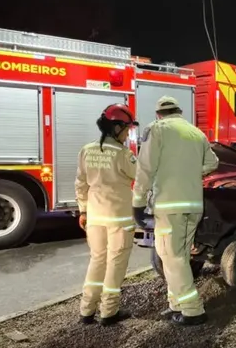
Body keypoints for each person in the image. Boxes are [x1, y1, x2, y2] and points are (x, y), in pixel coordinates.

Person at [132, 96, 220, 326]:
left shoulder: (158, 130)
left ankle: (193, 310)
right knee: (172, 256)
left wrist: (138, 201)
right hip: (193, 205)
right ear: (179, 112)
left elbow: (145, 167)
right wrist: (190, 172)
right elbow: (213, 163)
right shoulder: (196, 133)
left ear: (159, 114)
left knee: (173, 258)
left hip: (170, 206)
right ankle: (176, 304)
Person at [74, 103, 140, 326]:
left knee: (97, 261)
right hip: (119, 219)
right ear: (117, 128)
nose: (128, 133)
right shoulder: (123, 154)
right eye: (127, 129)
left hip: (94, 217)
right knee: (115, 264)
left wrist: (83, 210)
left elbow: (81, 184)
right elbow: (140, 178)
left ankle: (86, 310)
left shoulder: (87, 150)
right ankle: (109, 312)